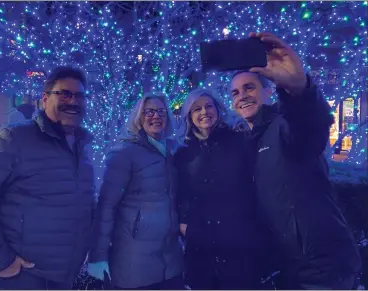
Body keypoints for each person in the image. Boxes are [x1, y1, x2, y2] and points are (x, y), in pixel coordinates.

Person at [229, 32, 361, 289]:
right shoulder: (248, 140)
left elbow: (308, 126)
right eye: (235, 93)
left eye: (249, 88)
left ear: (267, 91)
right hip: (286, 265)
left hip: (321, 265)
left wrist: (300, 90)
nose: (241, 96)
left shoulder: (284, 126)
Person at [0, 66, 95, 290]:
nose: (73, 101)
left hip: (62, 277)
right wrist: (0, 261)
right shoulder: (12, 138)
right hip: (20, 278)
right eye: (64, 93)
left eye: (79, 95)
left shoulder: (82, 149)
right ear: (45, 99)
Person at [174, 88, 275, 290]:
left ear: (218, 109)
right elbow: (179, 194)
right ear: (189, 116)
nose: (204, 112)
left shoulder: (239, 142)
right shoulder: (183, 154)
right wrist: (185, 226)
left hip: (238, 243)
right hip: (200, 245)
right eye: (196, 109)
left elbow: (257, 187)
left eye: (208, 106)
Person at [87, 93, 184, 290]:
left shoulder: (173, 151)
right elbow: (106, 207)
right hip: (133, 264)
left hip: (171, 262)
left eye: (160, 111)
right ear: (138, 117)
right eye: (149, 112)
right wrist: (98, 256)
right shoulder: (124, 153)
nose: (155, 116)